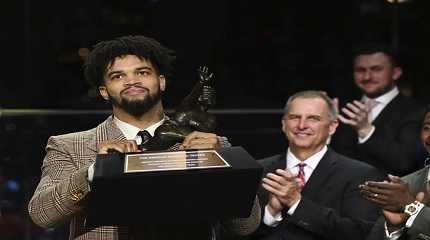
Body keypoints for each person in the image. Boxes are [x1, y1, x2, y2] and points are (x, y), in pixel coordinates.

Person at [27, 35, 260, 239]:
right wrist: (94, 171)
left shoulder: (209, 144)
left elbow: (245, 227)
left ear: (161, 81)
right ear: (104, 92)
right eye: (118, 76)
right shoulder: (69, 145)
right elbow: (42, 215)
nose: (131, 81)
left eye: (142, 72)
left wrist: (221, 162)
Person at [251, 90, 383, 240]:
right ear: (283, 124)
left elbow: (358, 233)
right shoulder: (257, 170)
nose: (302, 125)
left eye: (313, 118)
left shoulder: (361, 174)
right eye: (294, 117)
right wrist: (270, 213)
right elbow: (235, 234)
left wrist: (296, 203)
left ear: (332, 127)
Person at [330, 43, 425, 176]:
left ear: (396, 73)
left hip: (387, 194)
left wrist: (365, 130)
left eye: (376, 69)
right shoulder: (342, 107)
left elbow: (405, 163)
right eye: (360, 70)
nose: (367, 77)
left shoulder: (418, 111)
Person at [361, 105, 430, 240]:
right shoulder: (405, 184)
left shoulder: (403, 197)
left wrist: (411, 207)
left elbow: (411, 207)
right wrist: (394, 229)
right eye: (427, 128)